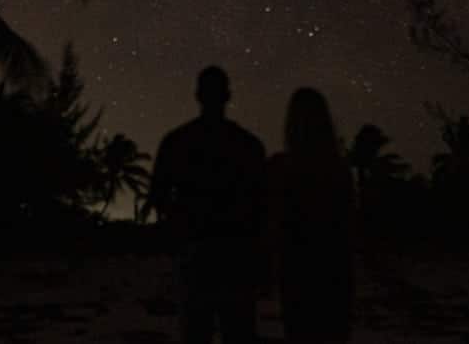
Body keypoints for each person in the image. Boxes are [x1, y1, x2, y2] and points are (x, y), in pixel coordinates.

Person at [146, 66, 267, 344]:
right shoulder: (247, 145)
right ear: (228, 96)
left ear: (197, 95)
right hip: (236, 253)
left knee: (196, 330)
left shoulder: (176, 142)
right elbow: (261, 205)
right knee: (237, 330)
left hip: (197, 253)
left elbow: (159, 197)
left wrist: (175, 232)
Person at [267, 88, 355, 343]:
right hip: (333, 273)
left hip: (297, 273)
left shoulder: (281, 168)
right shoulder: (338, 171)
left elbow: (272, 222)